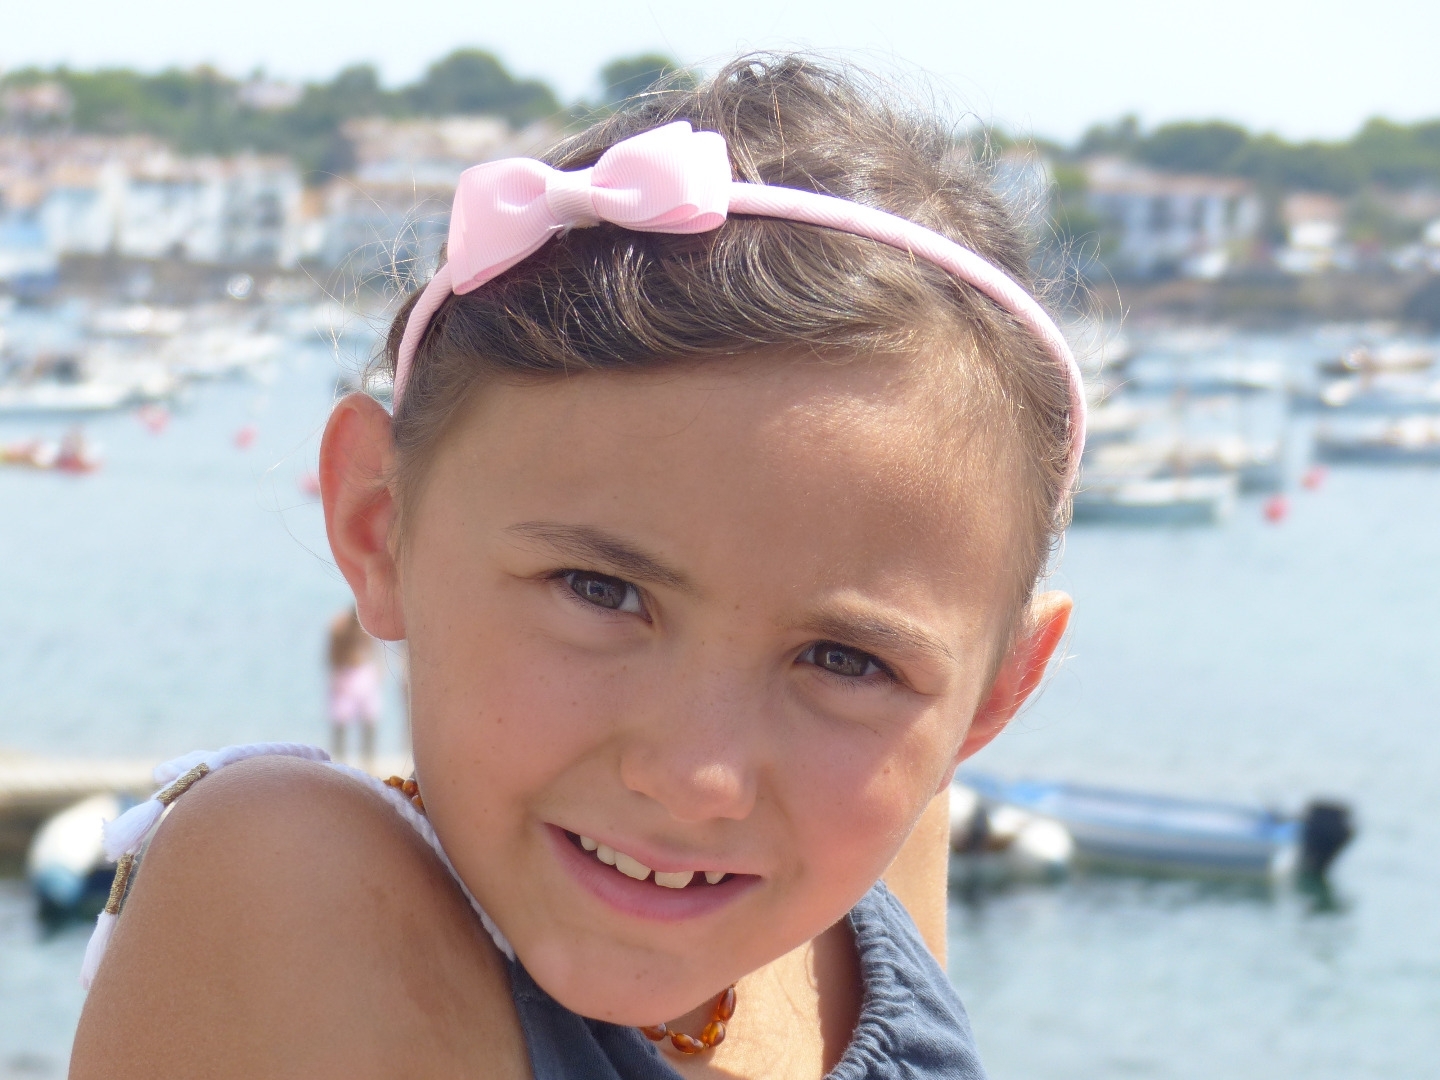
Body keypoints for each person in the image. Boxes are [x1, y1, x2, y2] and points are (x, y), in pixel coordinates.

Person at [71, 56, 1081, 1079]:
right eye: (603, 592)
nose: (695, 778)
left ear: (994, 693)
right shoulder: (285, 879)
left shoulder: (874, 887)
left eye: (845, 661)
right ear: (380, 524)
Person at [327, 605, 381, 769]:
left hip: (363, 672)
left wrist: (378, 672)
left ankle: (368, 761)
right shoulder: (339, 627)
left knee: (369, 719)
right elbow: (332, 653)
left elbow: (375, 650)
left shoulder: (366, 627)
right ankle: (339, 761)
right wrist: (336, 676)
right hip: (346, 673)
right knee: (341, 720)